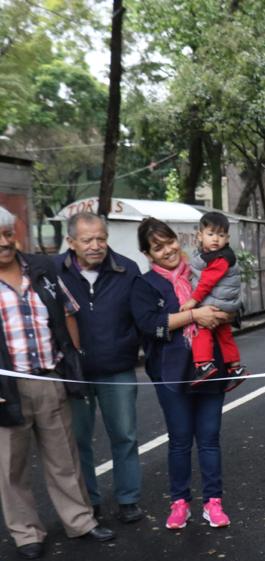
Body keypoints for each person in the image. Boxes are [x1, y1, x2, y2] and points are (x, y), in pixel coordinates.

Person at [0, 215, 115, 559]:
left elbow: (67, 312)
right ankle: (26, 533)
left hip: (50, 377)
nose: (4, 242)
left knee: (64, 455)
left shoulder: (41, 269)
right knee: (11, 466)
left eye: (7, 234)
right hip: (7, 385)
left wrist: (72, 364)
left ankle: (79, 520)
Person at [131, 217, 234, 530]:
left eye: (170, 242)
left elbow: (230, 301)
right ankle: (180, 503)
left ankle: (213, 503)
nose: (167, 250)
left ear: (179, 239)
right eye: (157, 247)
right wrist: (194, 314)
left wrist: (221, 314)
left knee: (209, 439)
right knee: (178, 440)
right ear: (148, 254)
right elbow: (151, 325)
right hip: (170, 373)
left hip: (210, 368)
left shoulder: (203, 270)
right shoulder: (145, 284)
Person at [55, 211, 144, 524]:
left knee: (125, 435)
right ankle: (88, 501)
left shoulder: (127, 269)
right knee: (77, 441)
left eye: (101, 239)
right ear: (71, 242)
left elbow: (142, 315)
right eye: (87, 240)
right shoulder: (53, 271)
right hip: (72, 371)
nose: (95, 245)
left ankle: (128, 499)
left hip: (117, 366)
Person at [182, 211, 246, 390]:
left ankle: (203, 364)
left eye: (221, 235)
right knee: (224, 333)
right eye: (211, 234)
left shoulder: (220, 258)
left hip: (218, 301)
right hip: (225, 302)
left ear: (227, 238)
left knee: (202, 327)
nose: (216, 239)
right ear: (200, 236)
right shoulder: (209, 255)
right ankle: (235, 368)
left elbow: (207, 282)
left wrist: (193, 301)